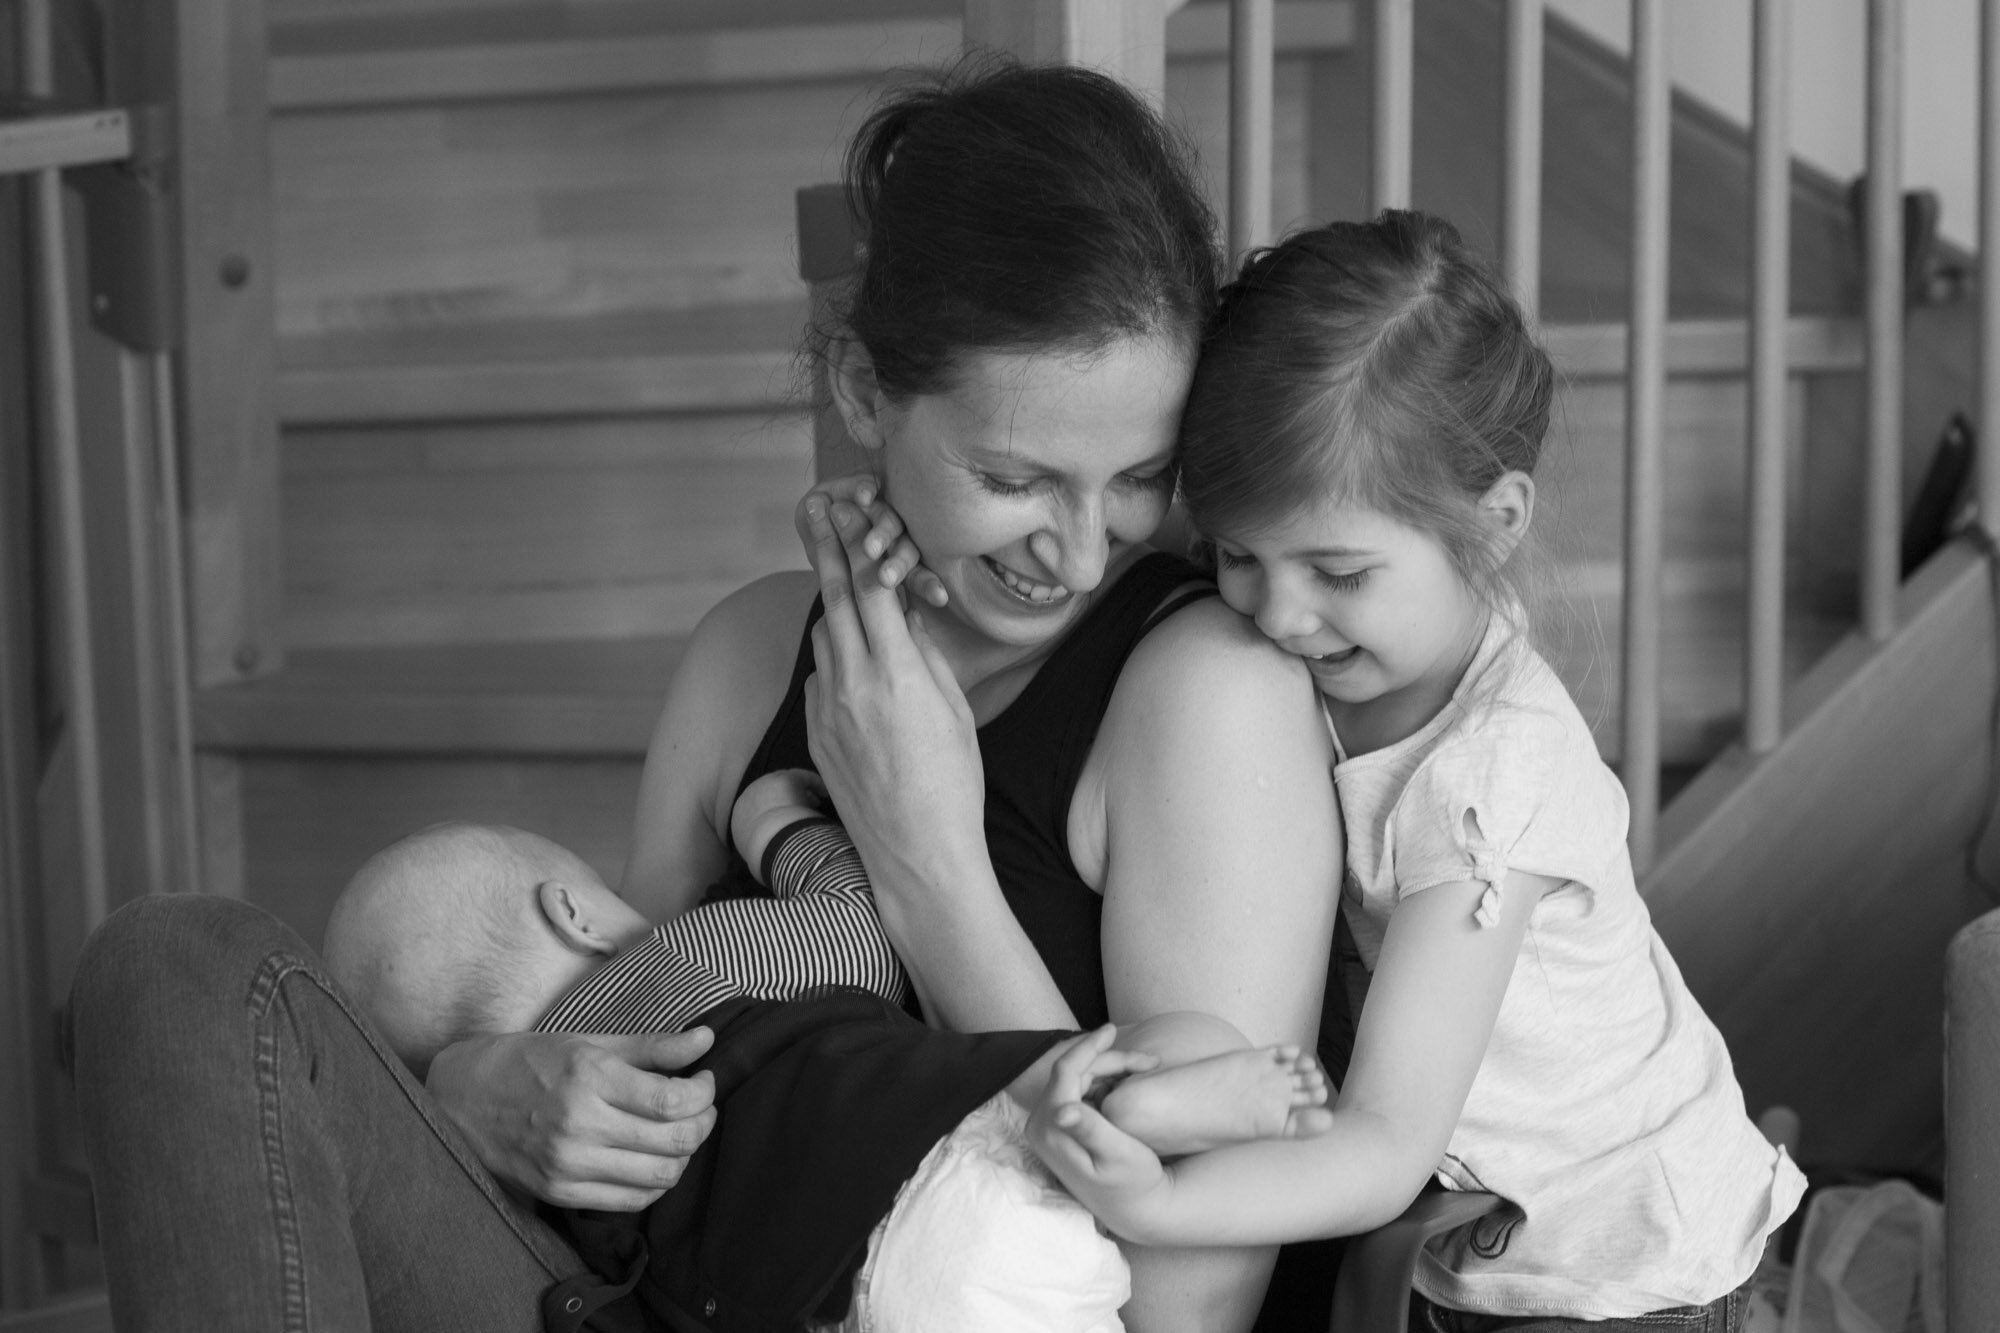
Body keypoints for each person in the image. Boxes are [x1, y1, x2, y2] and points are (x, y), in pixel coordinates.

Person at [64, 59, 1341, 1333]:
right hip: (639, 1288)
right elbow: (639, 996)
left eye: (1136, 477)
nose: (1076, 548)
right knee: (175, 967)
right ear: (860, 390)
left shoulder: (1200, 693)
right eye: (1013, 476)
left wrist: (927, 857)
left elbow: (1191, 1302)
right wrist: (474, 1086)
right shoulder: (745, 656)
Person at [1016, 211, 1808, 1332]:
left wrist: (1158, 1203)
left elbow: (1384, 1143)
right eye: (1237, 554)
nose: (1280, 614)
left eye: (1335, 572)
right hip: (1471, 1240)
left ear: (1491, 528)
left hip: (1621, 1278)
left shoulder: (1487, 780)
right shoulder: (1353, 660)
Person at [318, 784, 1331, 1333]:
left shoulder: (545, 1179)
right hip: (941, 1178)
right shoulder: (686, 954)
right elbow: (859, 933)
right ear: (574, 912)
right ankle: (1131, 1103)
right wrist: (780, 822)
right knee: (1175, 1041)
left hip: (806, 1306)